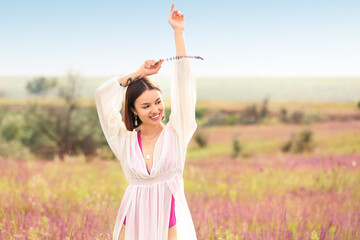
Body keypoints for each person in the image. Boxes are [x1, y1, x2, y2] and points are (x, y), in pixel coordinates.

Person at [94, 3, 198, 240]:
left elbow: (184, 84)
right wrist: (139, 74)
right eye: (146, 106)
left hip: (171, 225)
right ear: (133, 110)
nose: (156, 110)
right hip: (132, 224)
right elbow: (102, 96)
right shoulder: (124, 141)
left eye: (158, 102)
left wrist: (178, 32)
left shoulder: (177, 132)